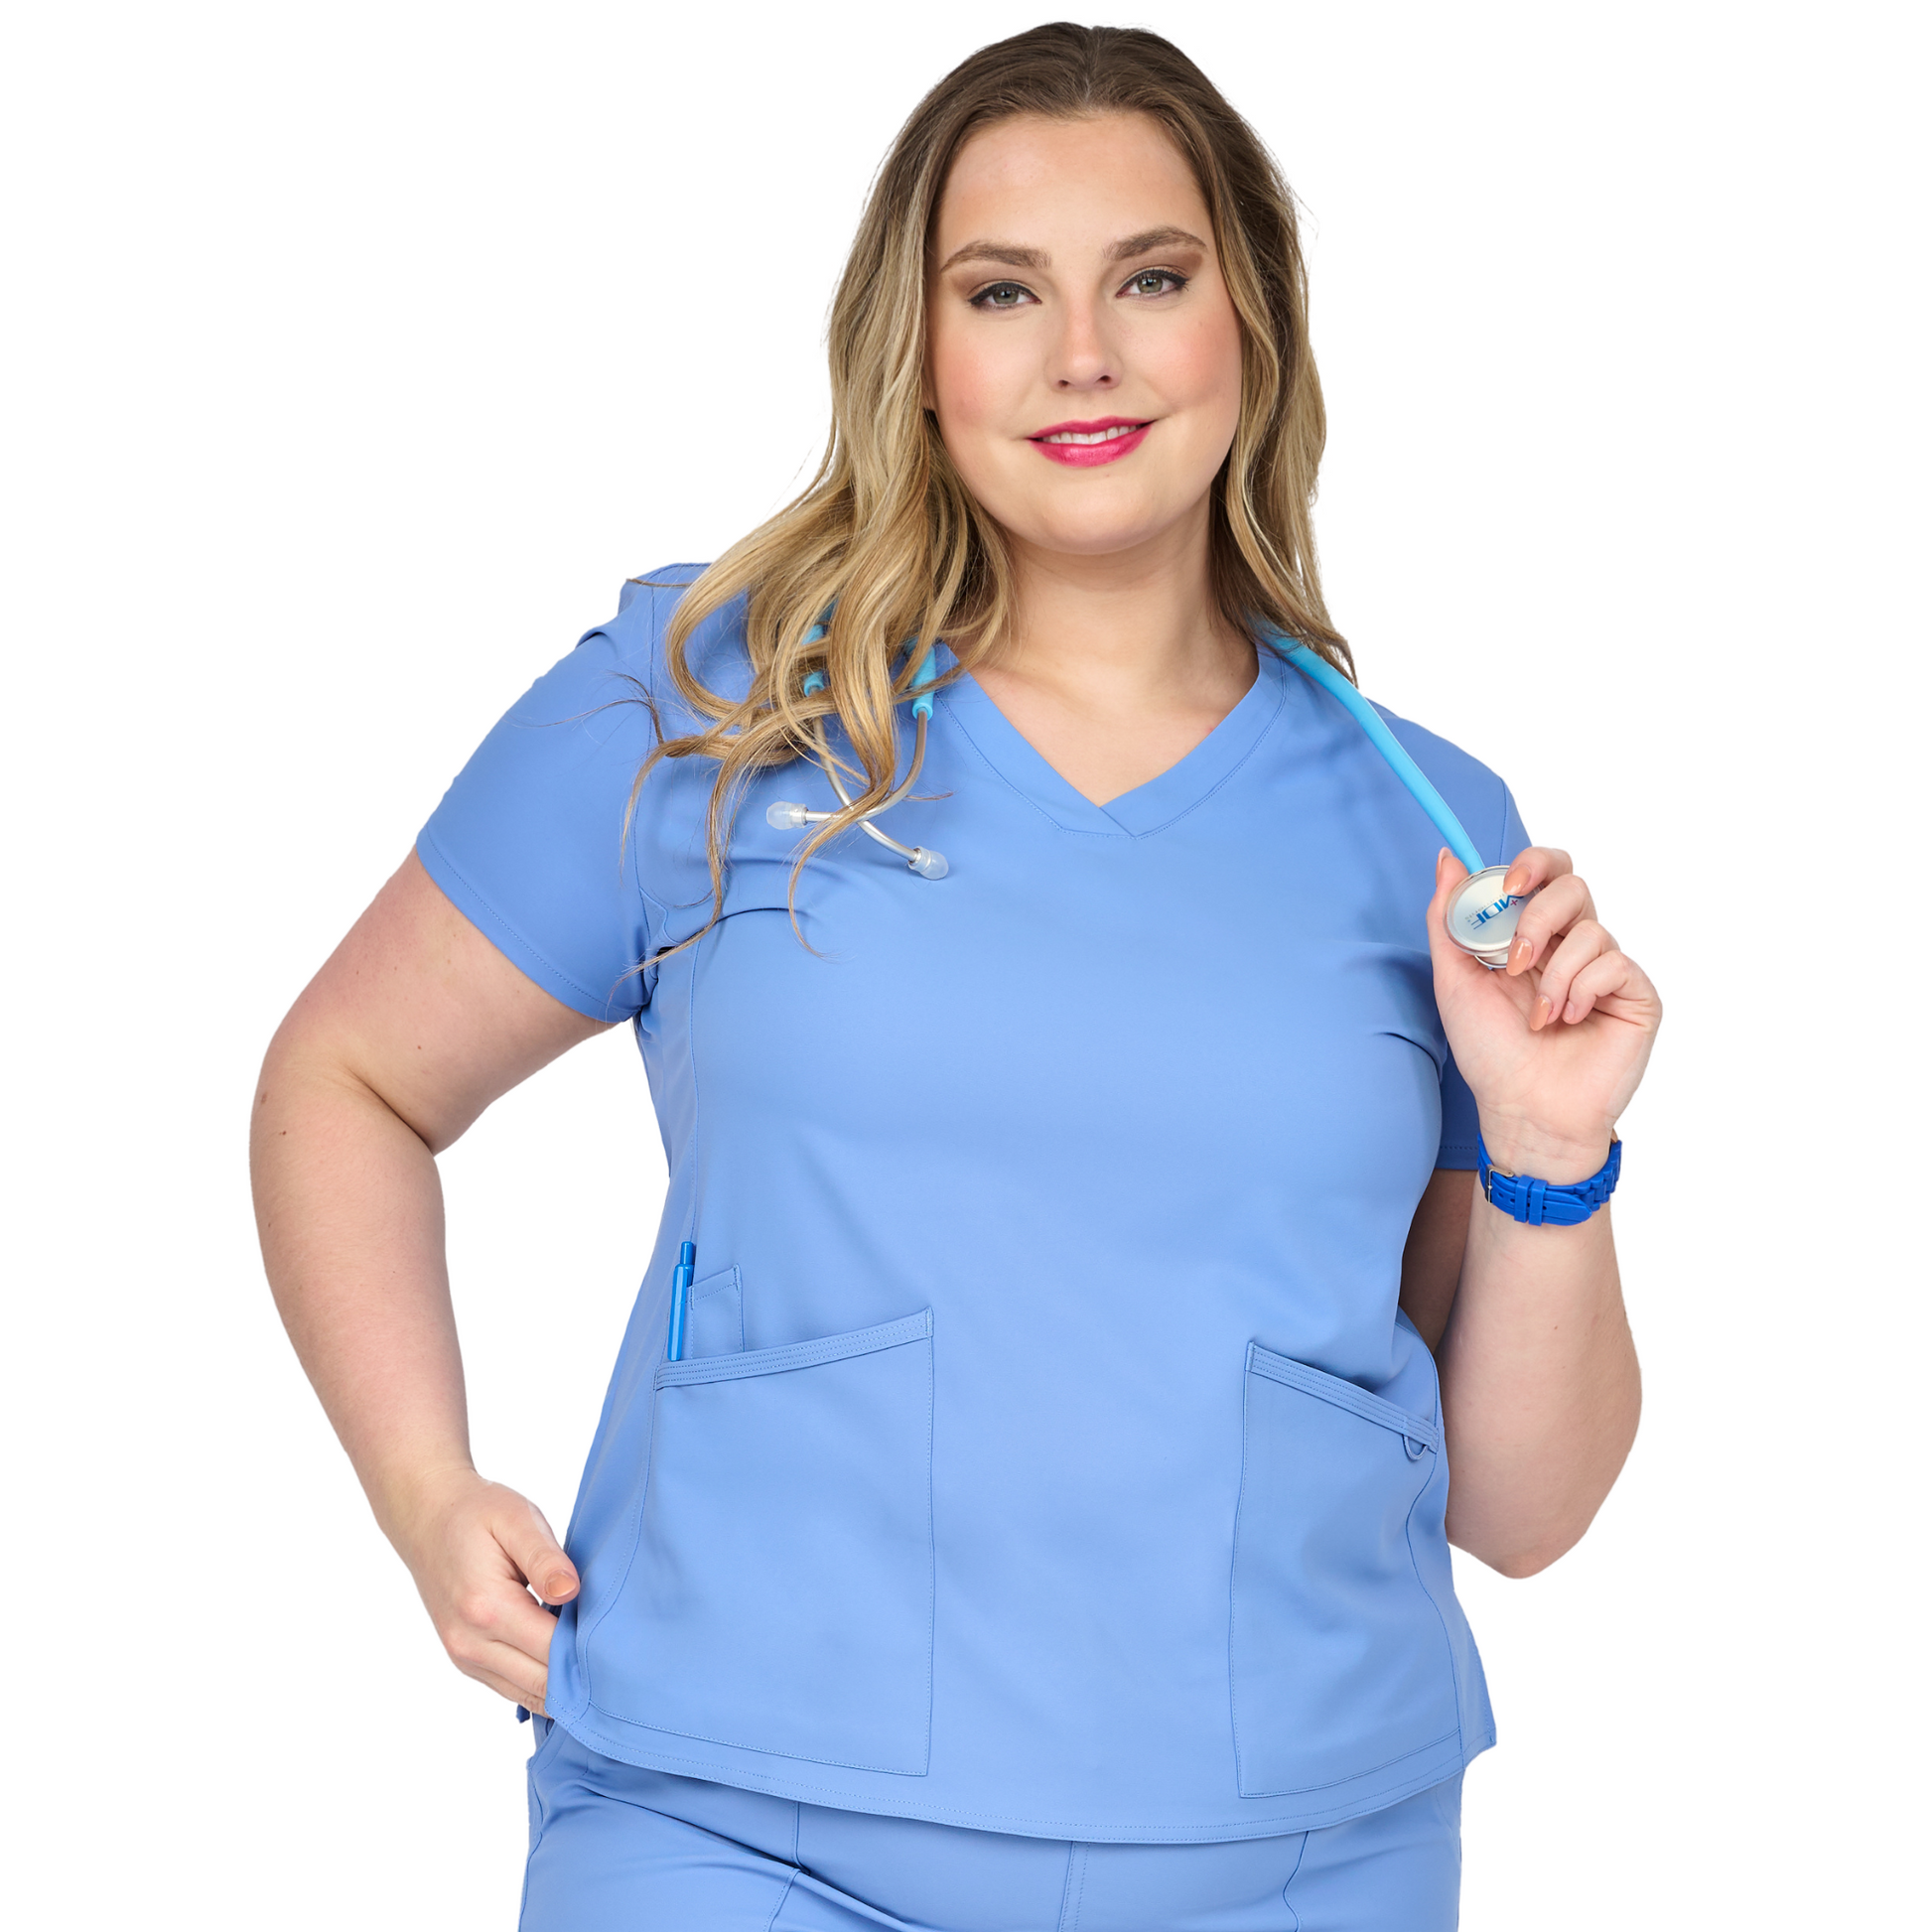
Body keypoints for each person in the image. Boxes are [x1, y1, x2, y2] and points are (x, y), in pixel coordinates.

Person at [251, 22, 1659, 1929]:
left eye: (1149, 279)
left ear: (1250, 322)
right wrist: (425, 1488)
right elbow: (347, 1079)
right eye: (1001, 291)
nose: (1081, 353)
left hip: (1296, 1857)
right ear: (914, 354)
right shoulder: (706, 711)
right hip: (733, 1831)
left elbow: (1523, 1510)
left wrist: (1550, 1157)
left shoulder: (1432, 837)